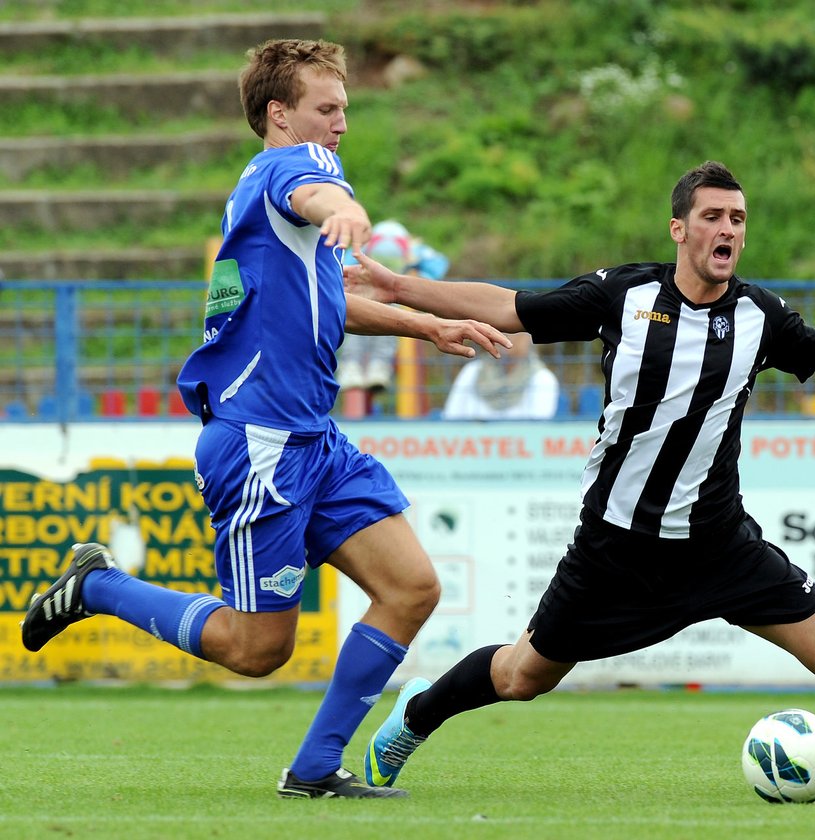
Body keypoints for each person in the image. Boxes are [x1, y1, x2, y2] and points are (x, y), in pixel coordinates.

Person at [344, 161, 815, 791]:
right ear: (680, 229)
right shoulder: (624, 295)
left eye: (737, 218)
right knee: (522, 676)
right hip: (616, 546)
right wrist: (402, 288)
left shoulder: (760, 317)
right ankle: (416, 715)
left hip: (719, 544)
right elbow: (509, 306)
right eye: (713, 216)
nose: (727, 229)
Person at [20, 38, 509, 800]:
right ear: (280, 115)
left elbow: (328, 301)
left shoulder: (274, 210)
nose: (341, 123)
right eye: (327, 108)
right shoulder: (295, 170)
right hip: (262, 447)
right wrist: (342, 205)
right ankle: (100, 587)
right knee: (257, 652)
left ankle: (316, 768)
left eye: (345, 108)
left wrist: (427, 327)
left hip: (315, 439)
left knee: (412, 587)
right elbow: (321, 195)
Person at [337, 219, 451, 393]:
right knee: (367, 326)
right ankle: (356, 365)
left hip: (391, 299)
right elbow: (438, 264)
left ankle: (371, 365)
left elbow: (341, 267)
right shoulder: (415, 251)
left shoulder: (412, 251)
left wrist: (419, 277)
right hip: (369, 296)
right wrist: (423, 277)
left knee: (386, 325)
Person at [443, 331, 560, 420]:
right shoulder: (472, 371)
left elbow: (538, 428)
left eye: (513, 333)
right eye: (501, 331)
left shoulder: (542, 378)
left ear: (528, 338)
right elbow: (451, 416)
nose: (505, 337)